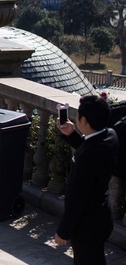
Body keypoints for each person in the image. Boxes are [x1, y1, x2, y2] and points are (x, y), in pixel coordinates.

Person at [55, 94, 118, 264]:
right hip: (102, 218)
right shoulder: (111, 136)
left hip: (86, 225)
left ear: (84, 120)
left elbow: (77, 198)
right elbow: (93, 149)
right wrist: (71, 135)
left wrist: (63, 231)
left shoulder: (86, 158)